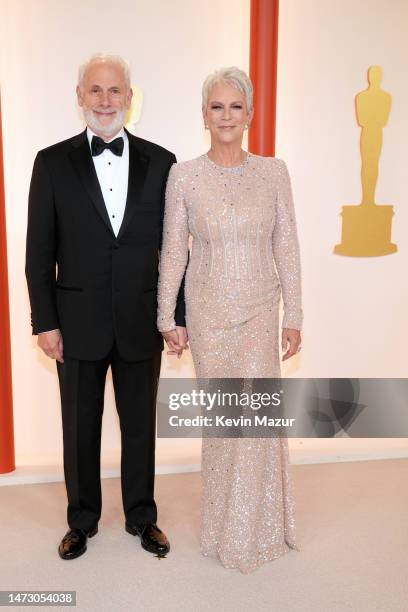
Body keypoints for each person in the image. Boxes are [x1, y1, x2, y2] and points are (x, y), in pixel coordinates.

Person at [25, 53, 187, 560]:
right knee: (80, 428)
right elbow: (38, 251)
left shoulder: (163, 163)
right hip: (76, 322)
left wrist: (175, 314)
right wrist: (45, 321)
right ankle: (82, 520)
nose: (105, 100)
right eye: (95, 90)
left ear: (130, 99)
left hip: (141, 320)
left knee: (140, 425)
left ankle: (142, 516)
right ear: (79, 96)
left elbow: (178, 248)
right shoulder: (51, 162)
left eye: (114, 91)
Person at [157, 67, 302, 573]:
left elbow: (286, 245)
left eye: (235, 107)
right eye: (216, 107)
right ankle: (225, 529)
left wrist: (295, 313)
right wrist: (164, 315)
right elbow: (174, 249)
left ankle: (259, 529)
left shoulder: (275, 171)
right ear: (204, 115)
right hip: (209, 313)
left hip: (263, 309)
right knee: (224, 424)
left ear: (250, 114)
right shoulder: (185, 175)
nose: (226, 116)